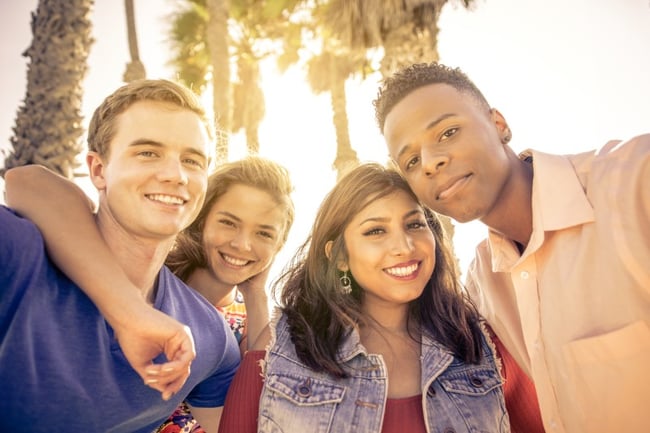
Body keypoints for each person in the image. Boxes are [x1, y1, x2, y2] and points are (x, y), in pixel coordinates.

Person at [372, 61, 650, 432]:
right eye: (410, 160)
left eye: (448, 132)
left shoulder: (636, 183)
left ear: (499, 124)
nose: (430, 162)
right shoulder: (482, 286)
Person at [0, 79, 240, 433]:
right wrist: (131, 313)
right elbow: (26, 180)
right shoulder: (16, 252)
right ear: (98, 170)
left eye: (192, 160)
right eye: (147, 153)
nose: (175, 175)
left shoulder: (209, 339)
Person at [218, 163, 511, 433]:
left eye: (414, 224)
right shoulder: (283, 345)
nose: (404, 247)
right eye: (376, 231)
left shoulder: (477, 340)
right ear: (339, 256)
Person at [155, 156, 295, 433]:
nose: (242, 244)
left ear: (279, 246)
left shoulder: (250, 319)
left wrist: (256, 295)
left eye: (264, 234)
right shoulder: (154, 285)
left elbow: (266, 407)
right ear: (201, 219)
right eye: (229, 223)